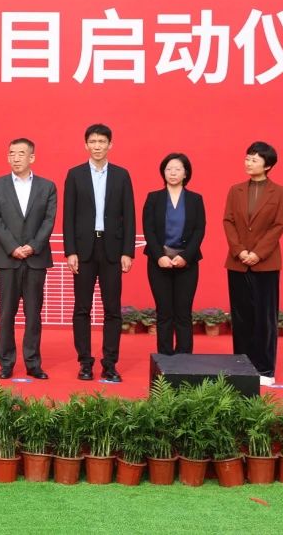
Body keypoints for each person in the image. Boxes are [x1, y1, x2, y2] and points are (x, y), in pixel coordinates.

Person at [62, 123, 135, 382]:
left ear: (110, 145)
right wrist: (70, 251)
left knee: (112, 309)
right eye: (92, 141)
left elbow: (129, 215)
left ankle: (110, 363)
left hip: (112, 249)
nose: (97, 146)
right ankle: (85, 362)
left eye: (102, 141)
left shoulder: (121, 175)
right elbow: (68, 216)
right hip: (83, 250)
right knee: (82, 308)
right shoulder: (75, 175)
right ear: (86, 145)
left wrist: (128, 251)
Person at [0, 138, 56, 380]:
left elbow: (49, 220)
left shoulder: (47, 187)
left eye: (21, 153)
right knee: (7, 313)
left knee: (33, 314)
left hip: (36, 259)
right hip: (8, 258)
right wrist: (13, 247)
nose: (15, 158)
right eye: (11, 153)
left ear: (31, 157)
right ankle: (6, 363)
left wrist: (33, 246)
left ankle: (33, 363)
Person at [223, 141, 283, 386]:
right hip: (238, 262)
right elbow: (228, 221)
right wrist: (239, 251)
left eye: (254, 159)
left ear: (267, 165)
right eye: (247, 158)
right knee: (241, 318)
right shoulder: (235, 190)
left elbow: (278, 226)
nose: (248, 163)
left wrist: (258, 253)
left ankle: (265, 369)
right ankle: (241, 367)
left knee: (265, 318)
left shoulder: (280, 193)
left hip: (265, 264)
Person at [142, 153, 206, 356]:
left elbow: (199, 230)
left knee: (183, 312)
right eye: (168, 169)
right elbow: (148, 229)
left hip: (187, 262)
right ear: (163, 172)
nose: (172, 173)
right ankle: (165, 358)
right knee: (164, 312)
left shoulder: (195, 199)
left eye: (178, 169)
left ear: (186, 173)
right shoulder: (154, 198)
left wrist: (186, 257)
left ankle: (184, 358)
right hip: (159, 262)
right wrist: (159, 256)